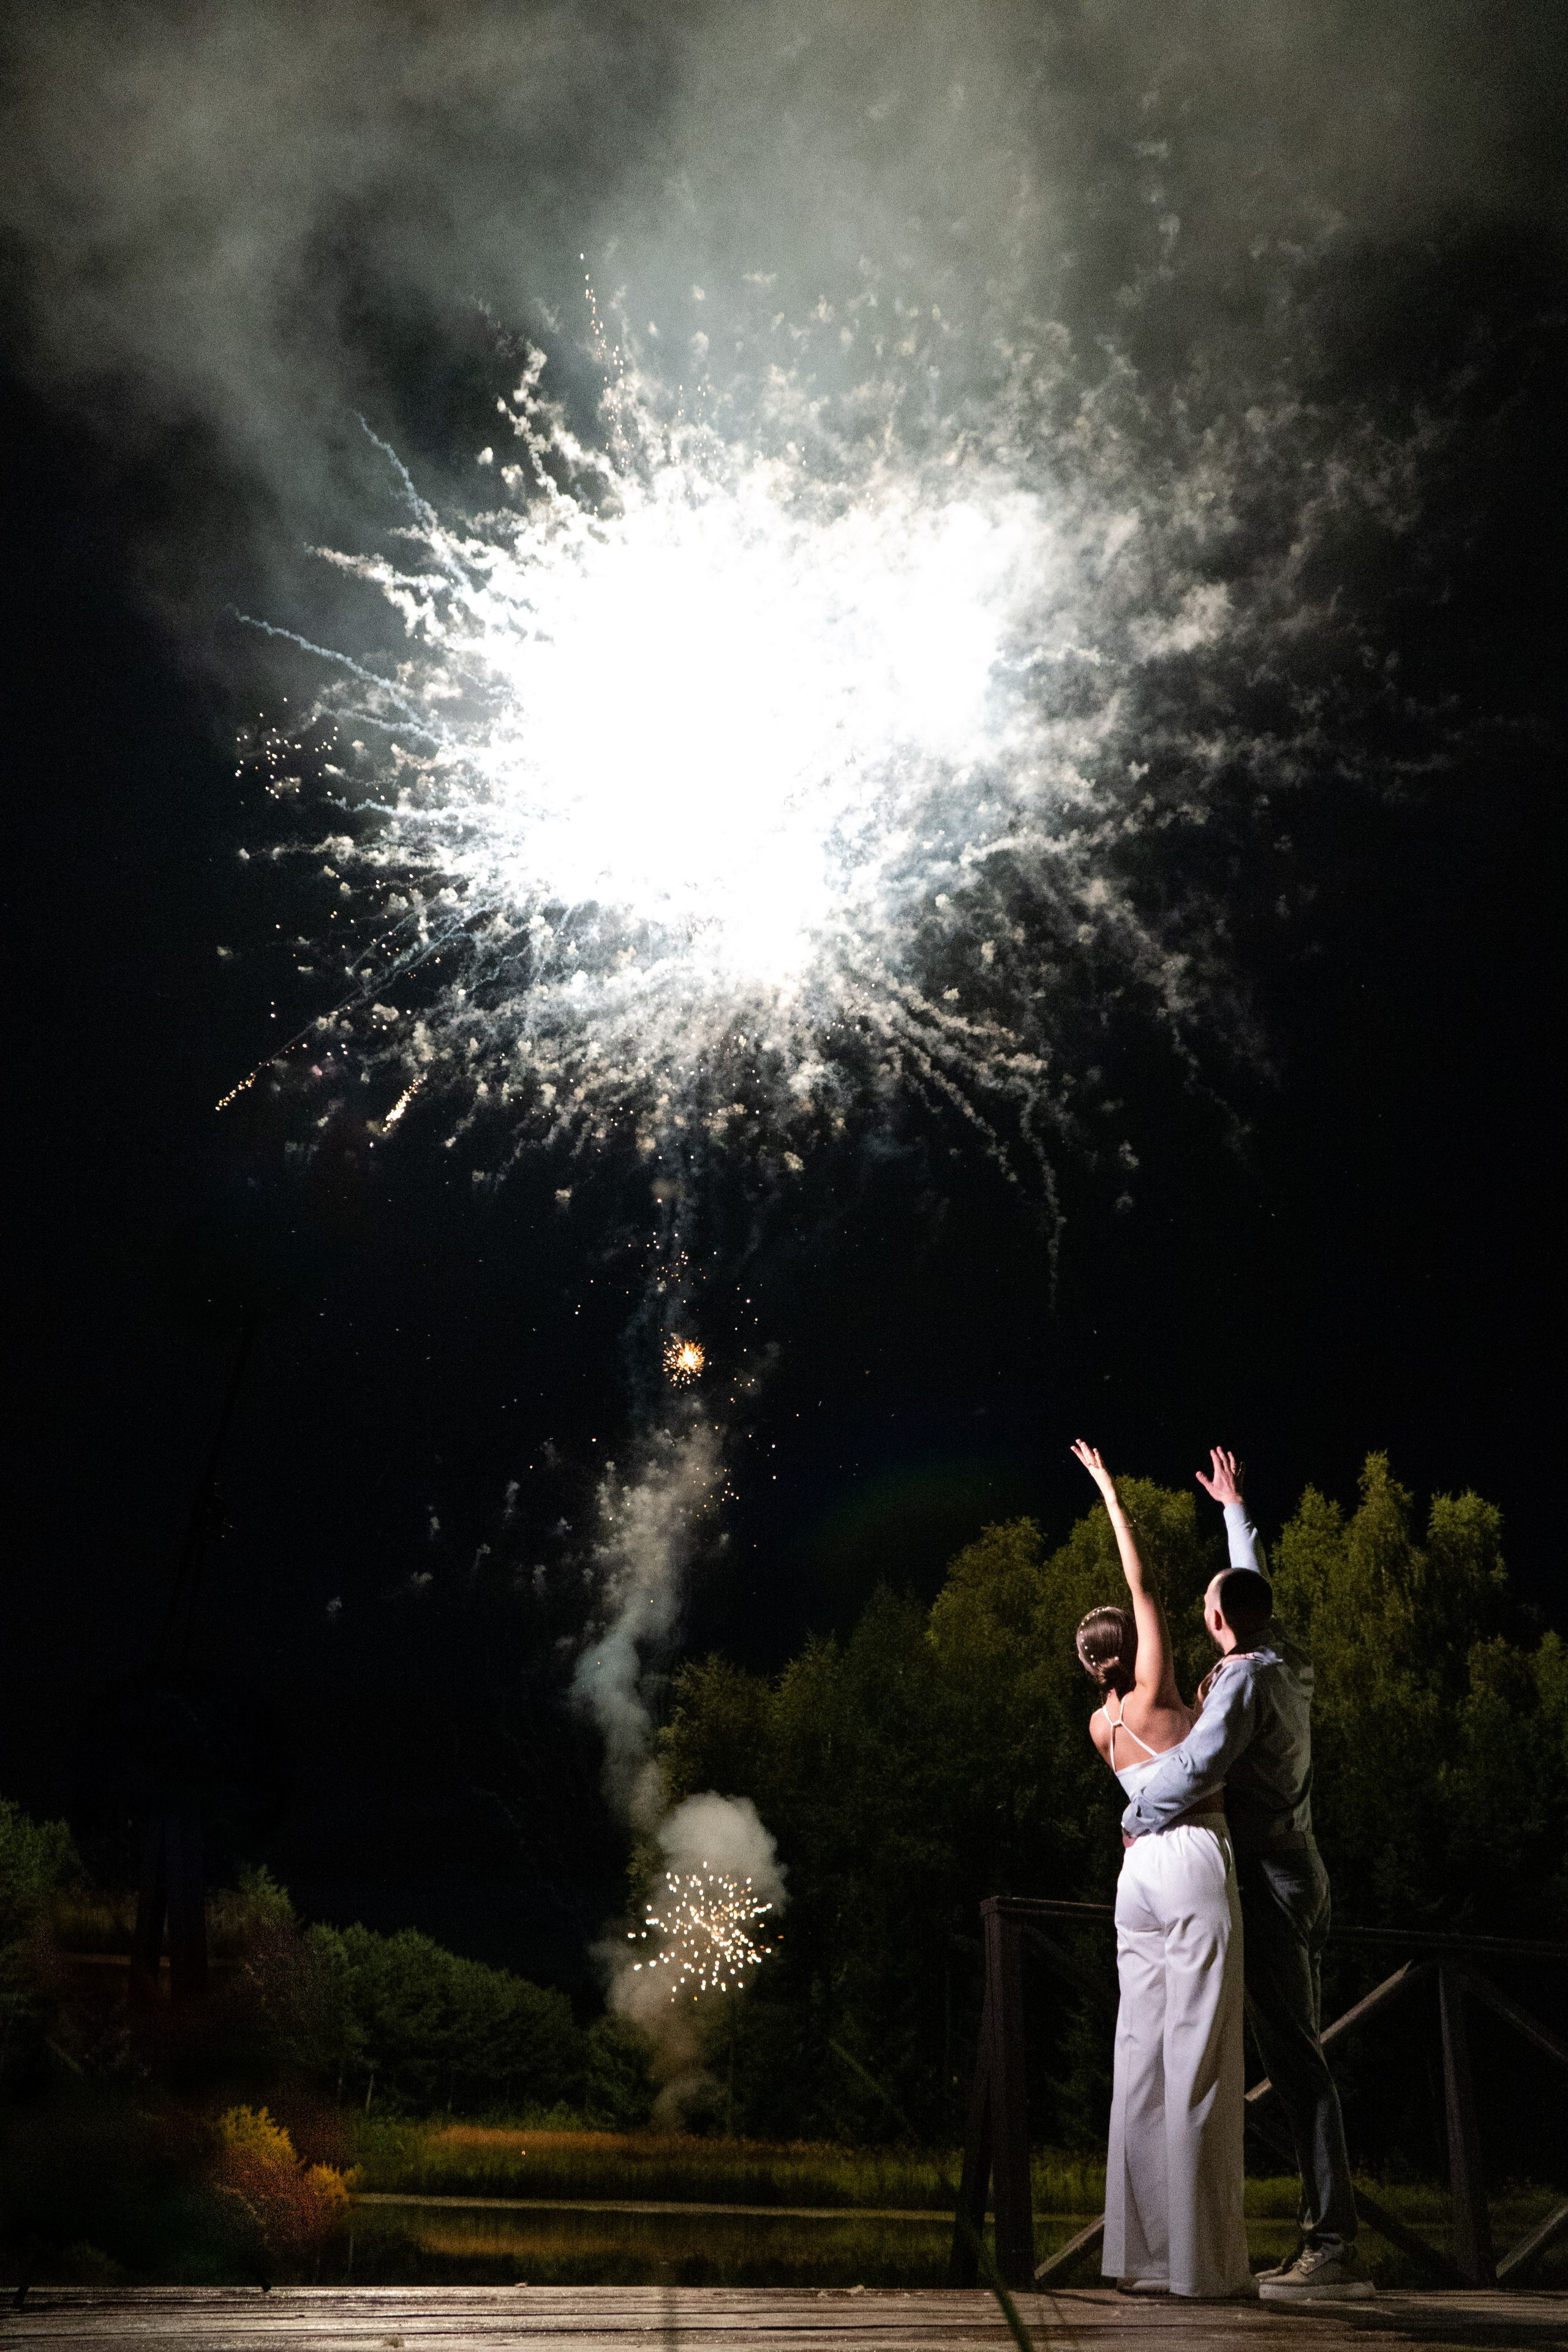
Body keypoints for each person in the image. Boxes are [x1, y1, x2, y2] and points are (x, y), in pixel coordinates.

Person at [1118, 1447, 1374, 2304]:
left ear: (1222, 1624)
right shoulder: (1285, 1656)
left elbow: (1197, 1765)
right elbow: (1250, 1594)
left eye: (1207, 1609)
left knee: (1296, 2060)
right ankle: (1327, 2238)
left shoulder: (1242, 1682)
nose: (1204, 1614)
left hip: (1265, 1873)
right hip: (1306, 1867)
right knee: (1297, 2054)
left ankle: (1333, 2247)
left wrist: (1136, 1811)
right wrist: (1235, 1513)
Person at [1070, 1441, 1253, 2303]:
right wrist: (1110, 1491)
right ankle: (1202, 2270)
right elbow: (1142, 1585)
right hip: (1187, 1858)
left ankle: (1140, 2258)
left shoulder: (1103, 1725)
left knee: (1138, 2054)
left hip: (1133, 1878)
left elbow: (1131, 1606)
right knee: (1202, 2053)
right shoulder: (1155, 1689)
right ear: (1131, 1648)